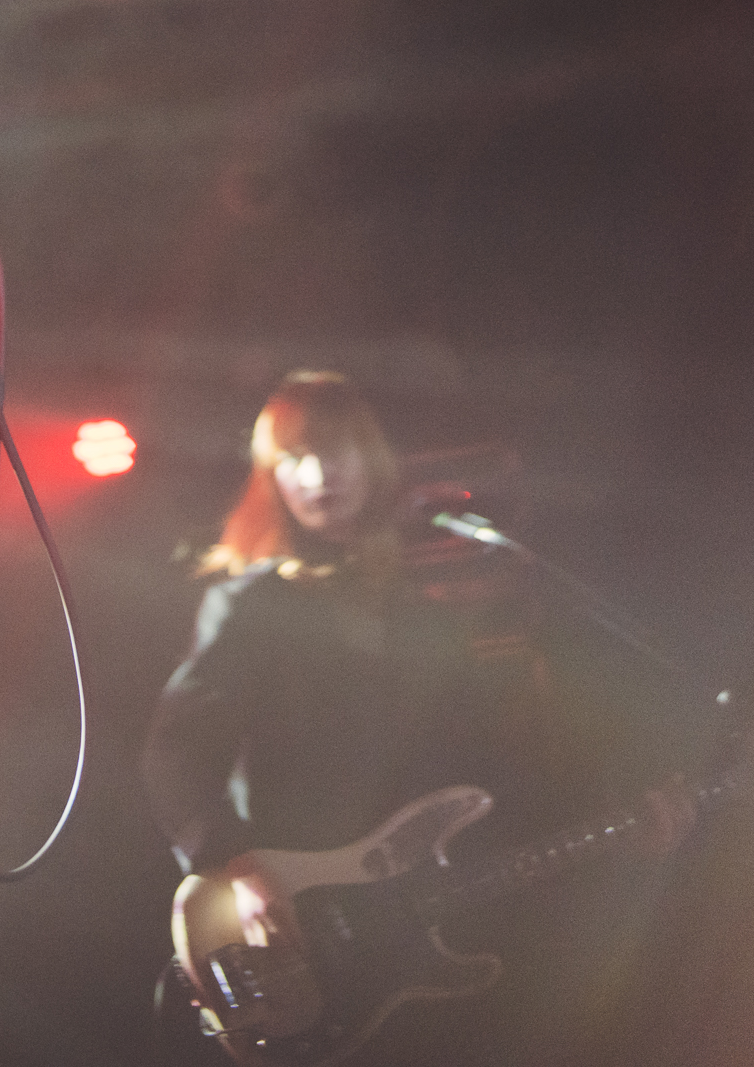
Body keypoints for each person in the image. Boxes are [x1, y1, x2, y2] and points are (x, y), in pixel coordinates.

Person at [142, 370, 696, 1066]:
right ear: (271, 477)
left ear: (372, 459)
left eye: (334, 450)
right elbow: (176, 753)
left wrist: (616, 821)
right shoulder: (252, 603)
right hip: (287, 921)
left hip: (397, 938)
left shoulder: (426, 618)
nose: (316, 475)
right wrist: (232, 866)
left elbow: (489, 776)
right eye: (293, 458)